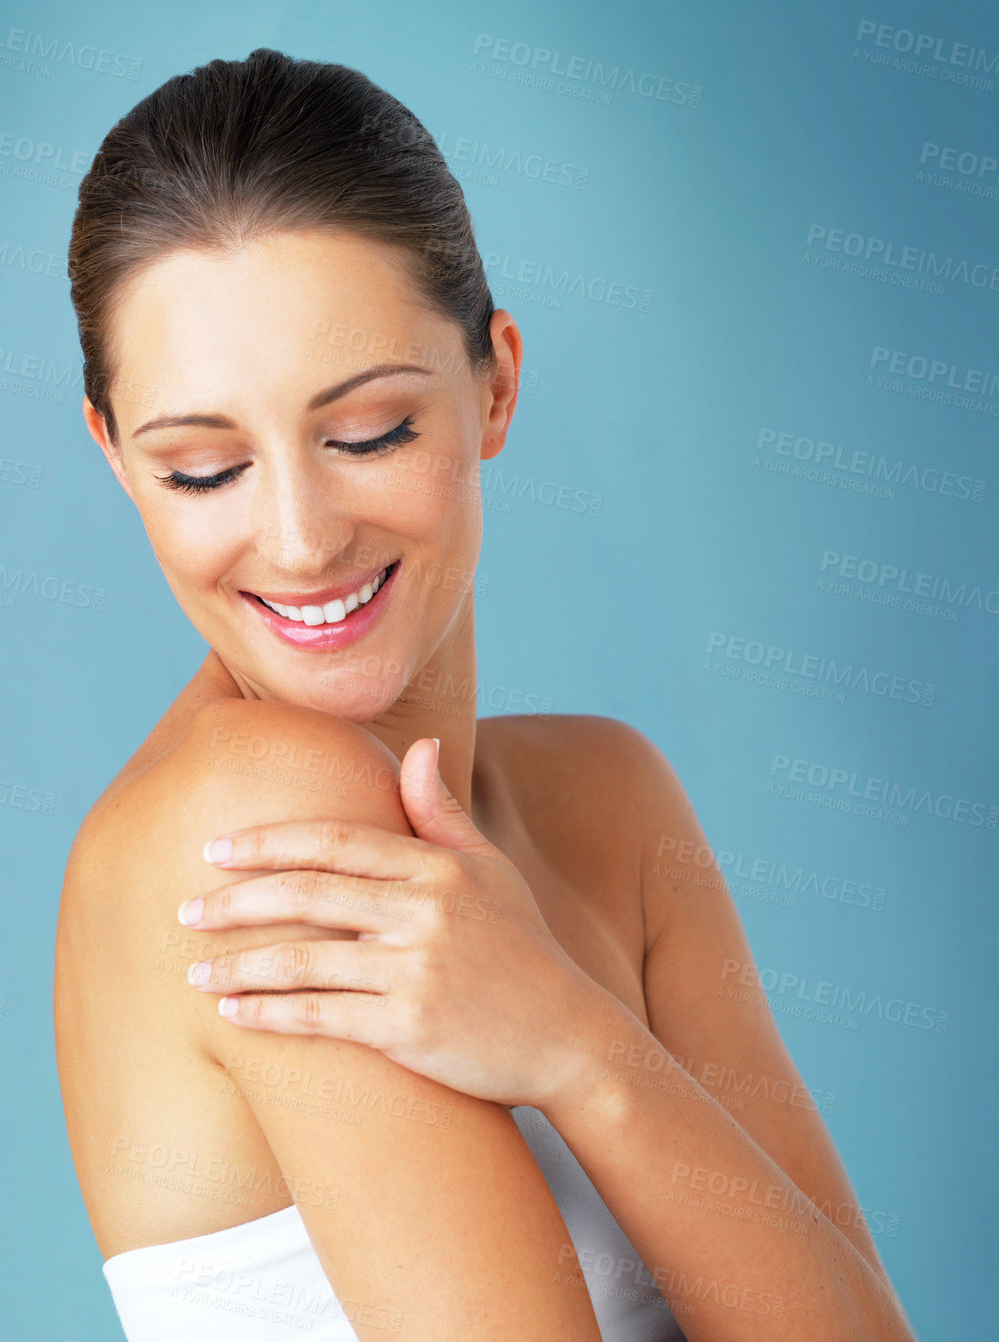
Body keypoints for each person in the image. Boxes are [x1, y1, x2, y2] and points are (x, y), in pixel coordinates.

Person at [53, 47, 916, 1341]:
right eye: (202, 466)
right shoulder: (255, 815)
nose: (297, 539)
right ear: (116, 457)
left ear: (495, 380)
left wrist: (574, 1046)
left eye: (367, 433)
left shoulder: (612, 803)